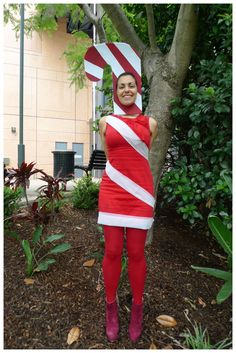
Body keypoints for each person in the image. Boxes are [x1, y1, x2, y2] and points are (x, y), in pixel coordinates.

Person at [98, 72, 158, 343]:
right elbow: (111, 157)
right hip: (113, 190)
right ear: (115, 91)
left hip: (140, 193)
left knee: (136, 252)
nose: (126, 89)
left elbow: (143, 157)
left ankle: (136, 309)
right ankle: (111, 308)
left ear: (138, 89)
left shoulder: (151, 123)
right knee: (112, 251)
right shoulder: (105, 122)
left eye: (131, 85)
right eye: (121, 86)